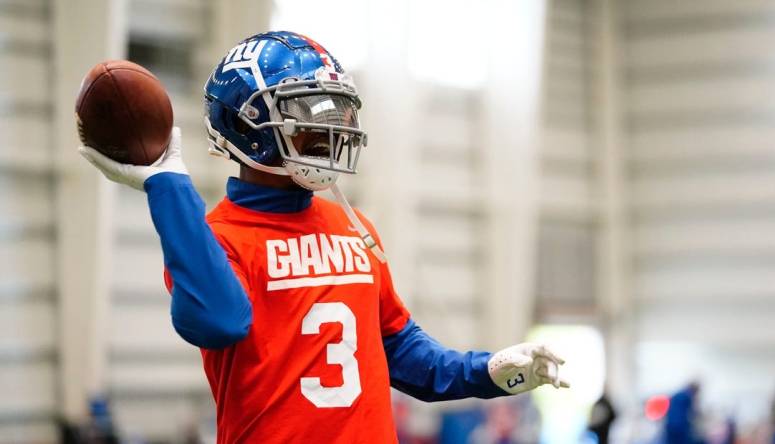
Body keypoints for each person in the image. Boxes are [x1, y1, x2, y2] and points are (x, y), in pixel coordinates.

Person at [79, 31, 569, 443]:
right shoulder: (217, 239)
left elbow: (402, 354)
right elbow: (220, 321)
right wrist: (168, 184)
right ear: (249, 127)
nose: (330, 128)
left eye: (336, 111)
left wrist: (487, 372)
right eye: (308, 112)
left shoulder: (353, 226)